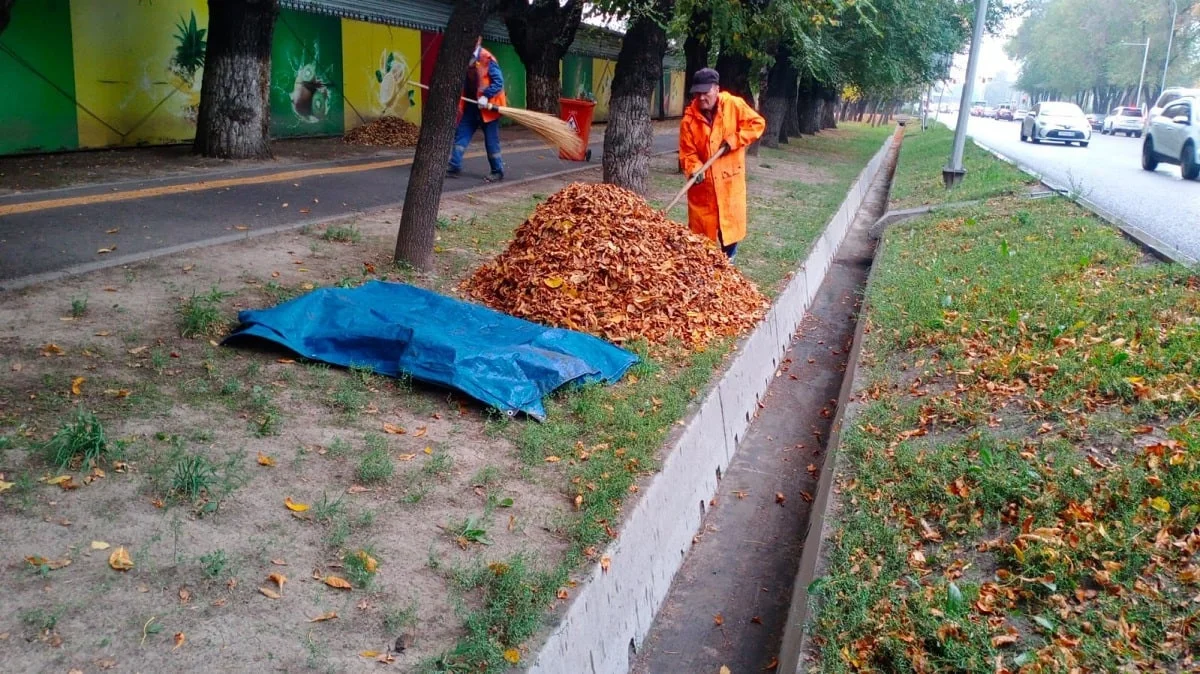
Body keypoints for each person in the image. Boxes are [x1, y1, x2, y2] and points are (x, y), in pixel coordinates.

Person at [678, 68, 766, 260]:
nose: (701, 97)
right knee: (701, 244)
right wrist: (694, 168)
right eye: (697, 93)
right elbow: (688, 153)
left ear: (716, 89)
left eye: (706, 92)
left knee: (729, 237)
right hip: (704, 191)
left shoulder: (734, 105)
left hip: (729, 186)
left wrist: (735, 140)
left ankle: (728, 267)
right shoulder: (689, 120)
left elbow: (757, 124)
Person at [448, 37, 507, 183]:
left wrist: (486, 96)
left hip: (488, 109)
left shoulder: (487, 58)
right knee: (461, 135)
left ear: (478, 41)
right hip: (472, 106)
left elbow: (498, 82)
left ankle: (497, 171)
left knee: (491, 141)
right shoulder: (464, 57)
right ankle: (454, 165)